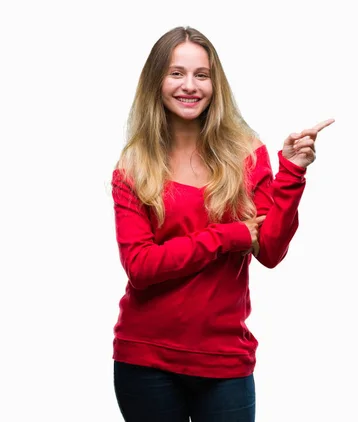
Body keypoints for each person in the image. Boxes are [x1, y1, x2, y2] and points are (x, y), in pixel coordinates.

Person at [110, 26, 334, 422]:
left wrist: (292, 175)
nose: (190, 86)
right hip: (145, 360)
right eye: (176, 73)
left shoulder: (245, 154)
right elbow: (141, 268)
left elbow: (269, 251)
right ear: (156, 82)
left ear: (216, 84)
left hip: (225, 359)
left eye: (202, 74)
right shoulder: (134, 167)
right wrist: (227, 235)